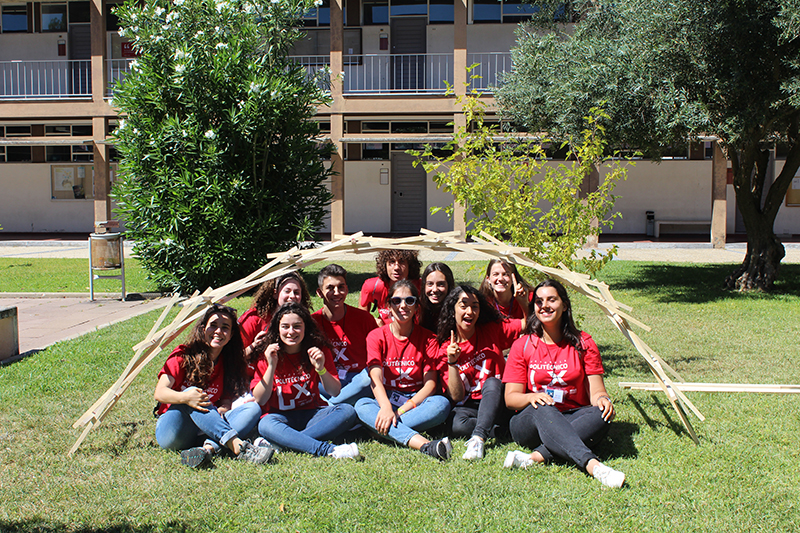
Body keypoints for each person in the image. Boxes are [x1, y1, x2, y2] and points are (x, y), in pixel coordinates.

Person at [502, 279, 625, 488]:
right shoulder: (522, 345)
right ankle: (593, 465)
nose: (545, 306)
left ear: (564, 305)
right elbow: (510, 398)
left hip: (573, 415)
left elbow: (597, 392)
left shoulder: (583, 343)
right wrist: (531, 396)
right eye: (539, 301)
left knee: (601, 415)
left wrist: (604, 400)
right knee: (544, 405)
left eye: (552, 300)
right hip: (530, 421)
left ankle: (535, 457)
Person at [154, 304, 273, 468]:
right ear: (203, 329)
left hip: (204, 428)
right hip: (174, 430)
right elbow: (160, 393)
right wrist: (186, 398)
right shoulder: (183, 355)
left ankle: (206, 450)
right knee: (193, 392)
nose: (218, 331)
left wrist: (224, 407)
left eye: (225, 328)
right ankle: (238, 446)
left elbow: (225, 400)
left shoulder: (227, 363)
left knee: (253, 409)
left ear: (231, 335)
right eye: (213, 325)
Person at [354, 280, 453, 460]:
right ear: (388, 306)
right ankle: (424, 444)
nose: (403, 306)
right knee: (361, 406)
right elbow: (374, 376)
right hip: (386, 397)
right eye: (396, 300)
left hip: (416, 401)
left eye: (409, 300)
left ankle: (381, 431)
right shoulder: (376, 336)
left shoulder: (428, 339)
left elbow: (430, 384)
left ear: (417, 306)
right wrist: (385, 407)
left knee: (441, 404)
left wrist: (399, 412)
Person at [252, 303, 361, 459]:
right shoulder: (268, 353)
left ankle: (285, 442)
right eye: (285, 326)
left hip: (313, 414)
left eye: (297, 326)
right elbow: (260, 399)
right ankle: (327, 450)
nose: (291, 332)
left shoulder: (317, 350)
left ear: (305, 327)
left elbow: (334, 391)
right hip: (280, 417)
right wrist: (271, 366)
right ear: (277, 329)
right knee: (265, 424)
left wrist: (321, 368)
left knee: (347, 411)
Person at [437, 285, 523, 460]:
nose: (470, 311)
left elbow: (528, 324)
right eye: (464, 305)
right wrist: (452, 362)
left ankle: (478, 438)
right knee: (455, 424)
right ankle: (500, 430)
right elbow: (456, 396)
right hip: (470, 407)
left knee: (492, 382)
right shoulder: (445, 349)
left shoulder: (492, 330)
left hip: (499, 399)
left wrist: (523, 302)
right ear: (452, 310)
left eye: (475, 306)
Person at [312, 264, 379, 405]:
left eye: (341, 287)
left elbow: (377, 356)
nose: (337, 293)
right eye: (330, 288)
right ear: (319, 292)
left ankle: (329, 407)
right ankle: (341, 406)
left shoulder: (364, 318)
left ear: (347, 289)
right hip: (327, 378)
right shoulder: (312, 323)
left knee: (368, 378)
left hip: (357, 378)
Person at [239, 272, 312, 378]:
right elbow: (232, 359)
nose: (292, 296)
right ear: (275, 293)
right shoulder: (254, 319)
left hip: (286, 380)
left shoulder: (303, 320)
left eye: (296, 292)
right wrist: (253, 346)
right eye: (287, 291)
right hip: (250, 379)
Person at [359, 249, 422, 326]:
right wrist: (373, 321)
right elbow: (361, 317)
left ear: (410, 265)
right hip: (384, 334)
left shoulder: (421, 286)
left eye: (402, 262)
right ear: (384, 264)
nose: (396, 267)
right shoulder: (372, 286)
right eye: (392, 262)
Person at [419, 262, 455, 333]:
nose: (435, 289)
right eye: (430, 284)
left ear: (449, 286)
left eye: (441, 284)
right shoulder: (417, 310)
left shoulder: (456, 312)